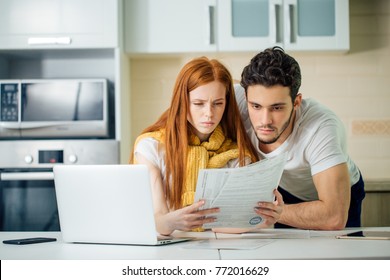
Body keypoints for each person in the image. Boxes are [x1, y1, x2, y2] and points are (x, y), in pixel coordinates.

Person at [130, 57, 284, 236]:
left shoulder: (237, 155)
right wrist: (172, 221)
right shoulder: (151, 147)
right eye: (198, 104)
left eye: (218, 103)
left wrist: (264, 219)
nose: (209, 114)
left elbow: (225, 225)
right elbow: (157, 220)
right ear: (182, 102)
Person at [236, 46, 365, 230]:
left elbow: (334, 216)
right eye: (256, 106)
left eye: (277, 108)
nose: (265, 120)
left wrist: (275, 212)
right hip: (285, 191)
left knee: (338, 255)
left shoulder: (320, 127)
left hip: (336, 199)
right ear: (245, 97)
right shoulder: (239, 99)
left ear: (296, 102)